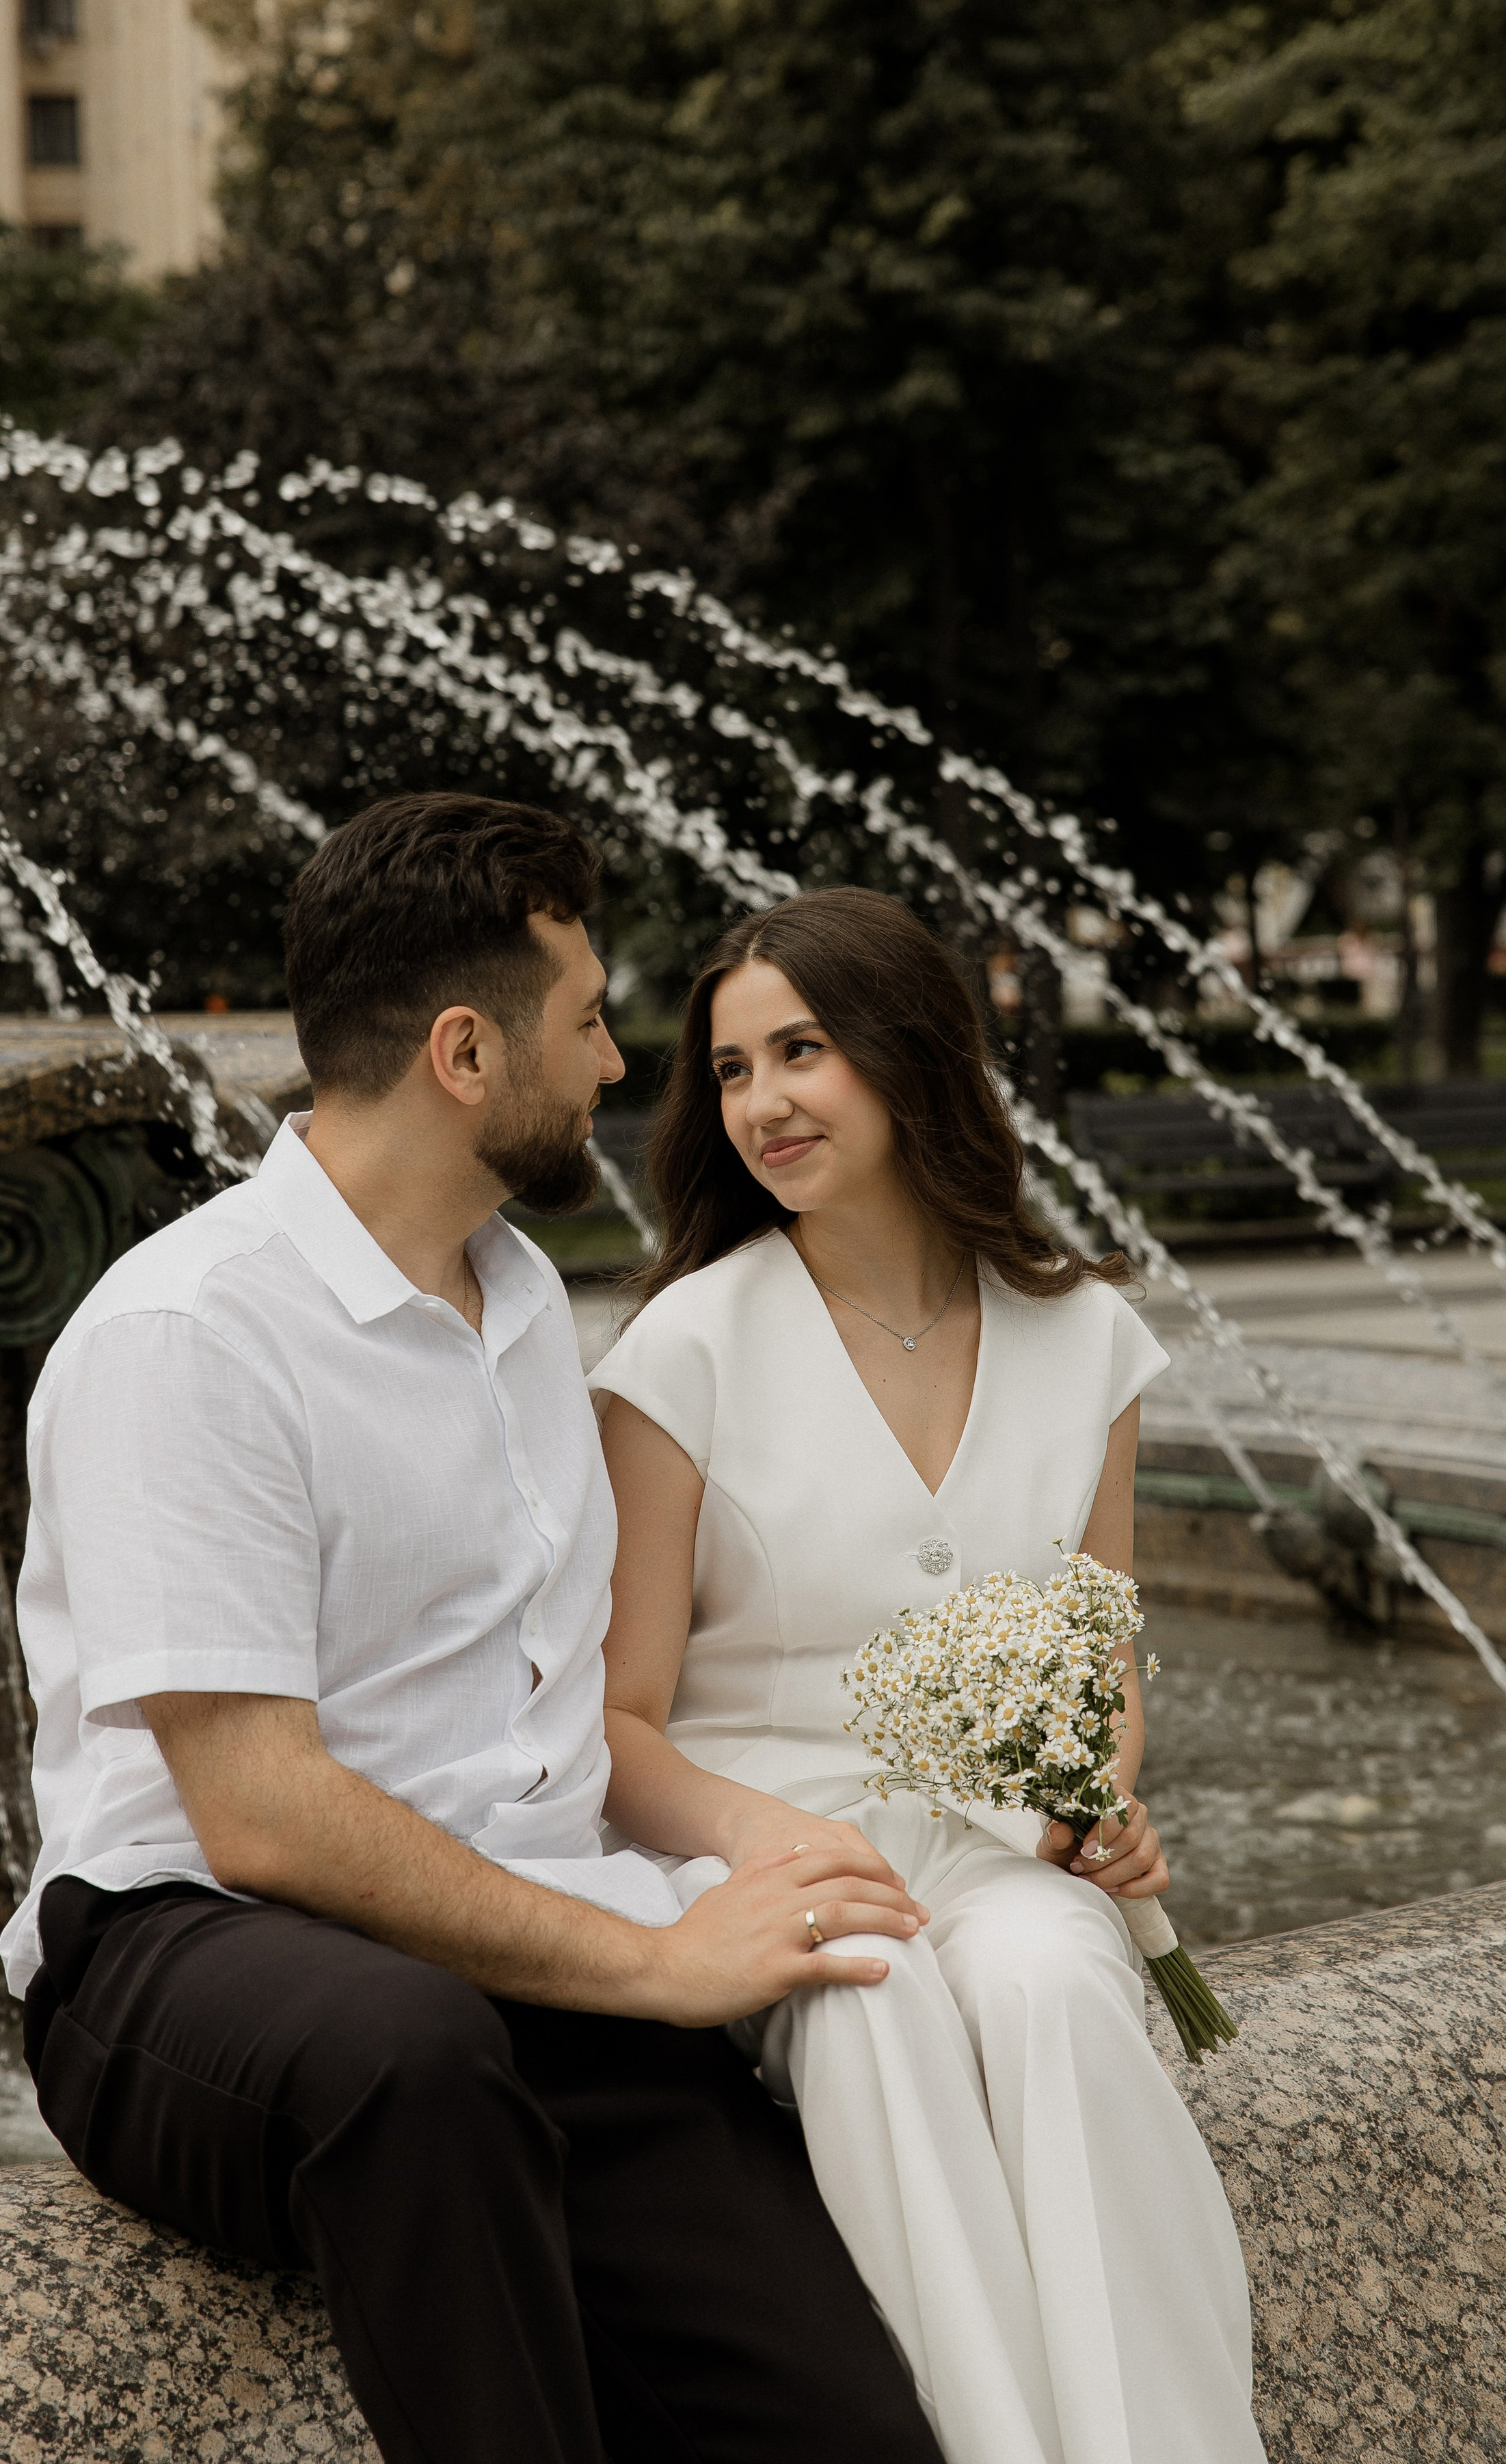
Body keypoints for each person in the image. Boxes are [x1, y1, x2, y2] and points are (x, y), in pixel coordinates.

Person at [3, 794, 945, 2464]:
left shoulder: (520, 1302)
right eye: (584, 1020)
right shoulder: (187, 1334)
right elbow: (260, 1810)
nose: (610, 1066)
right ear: (463, 1052)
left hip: (517, 1953)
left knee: (844, 2424)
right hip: (181, 1955)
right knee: (409, 2052)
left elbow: (595, 1705)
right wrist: (658, 1958)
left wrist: (749, 1854)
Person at [589, 886, 1267, 2464]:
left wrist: (1098, 1809)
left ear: (908, 1056)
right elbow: (611, 1723)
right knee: (874, 1999)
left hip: (992, 1847)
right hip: (768, 1852)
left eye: (802, 1051)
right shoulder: (680, 1353)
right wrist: (770, 1850)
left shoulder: (1084, 1338)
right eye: (735, 1067)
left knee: (1054, 1986)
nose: (761, 1100)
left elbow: (1097, 1652)